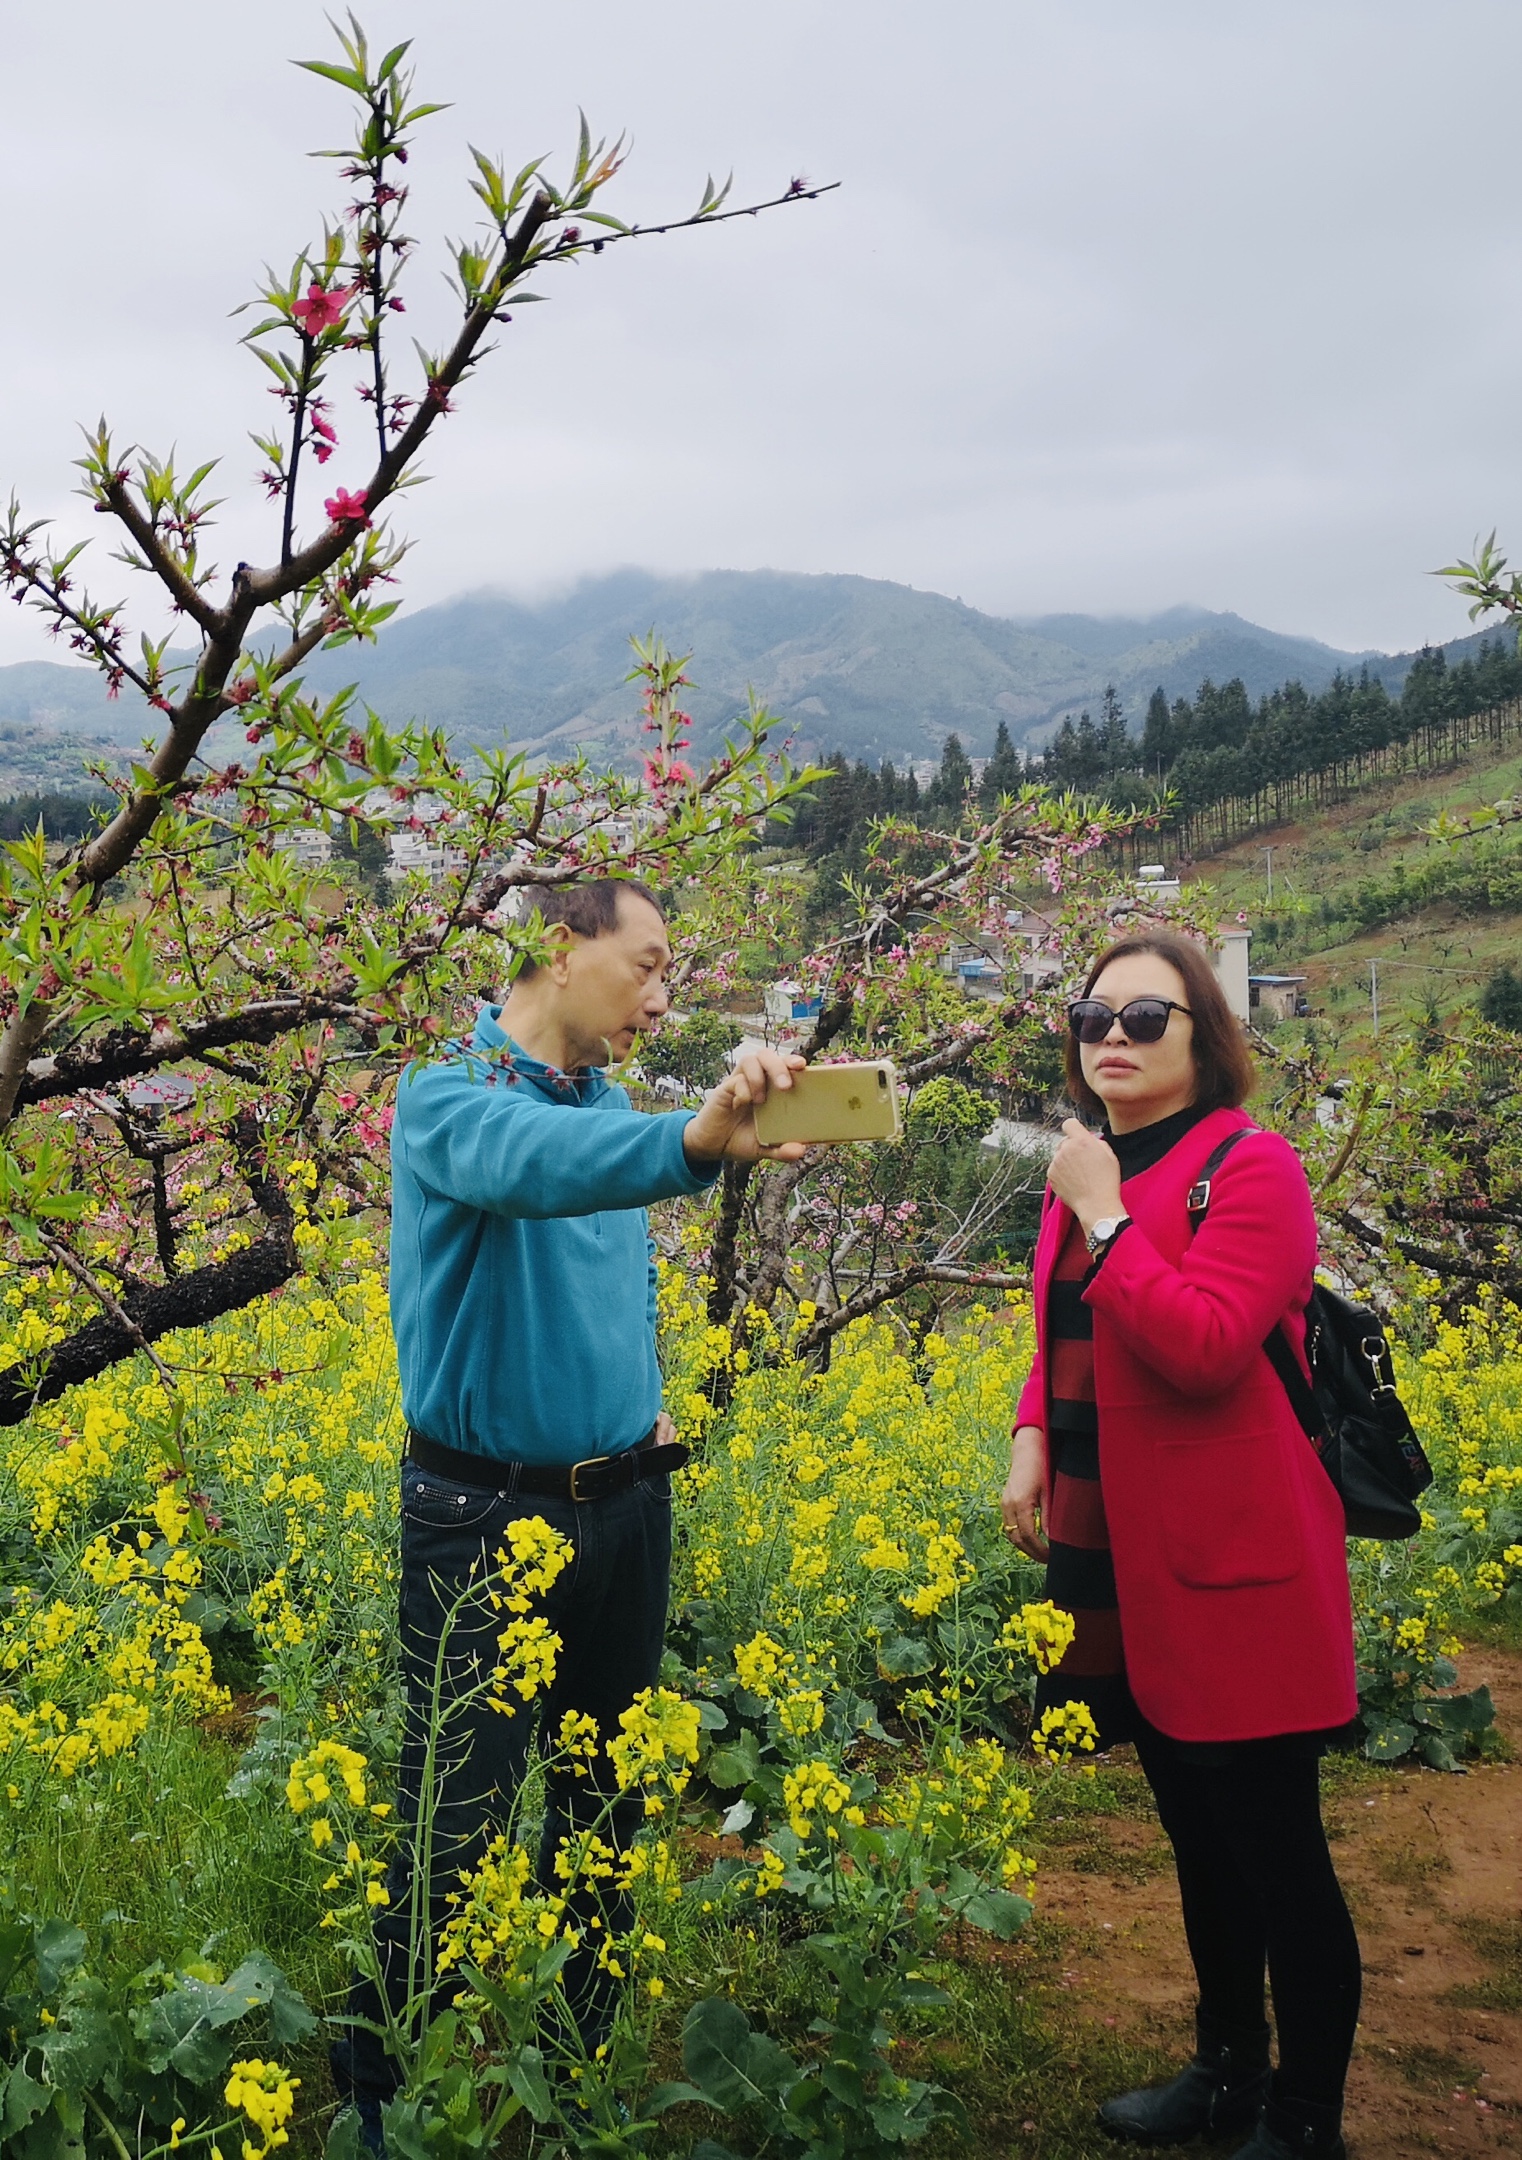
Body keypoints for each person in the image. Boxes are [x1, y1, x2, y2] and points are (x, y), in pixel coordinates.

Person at [332, 875, 808, 2132]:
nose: (662, 996)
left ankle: (572, 2071)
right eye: (646, 966)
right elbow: (528, 1170)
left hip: (622, 1509)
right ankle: (378, 2106)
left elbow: (600, 1246)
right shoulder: (447, 1097)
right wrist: (692, 1143)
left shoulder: (606, 1110)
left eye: (669, 974)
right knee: (456, 1823)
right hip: (481, 1518)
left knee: (603, 1805)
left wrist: (635, 1405)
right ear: (558, 946)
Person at [1000, 930, 1360, 2160]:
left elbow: (1202, 1345)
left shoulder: (1249, 1168)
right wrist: (1031, 1434)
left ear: (1206, 1036)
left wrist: (1103, 1217)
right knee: (1193, 1834)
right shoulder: (1090, 1163)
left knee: (1275, 1847)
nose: (1111, 1036)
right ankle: (1223, 2070)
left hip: (1233, 1555)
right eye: (1094, 1014)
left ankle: (1306, 2115)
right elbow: (1062, 1336)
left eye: (1146, 1019)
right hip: (1119, 1547)